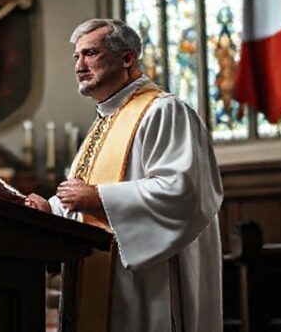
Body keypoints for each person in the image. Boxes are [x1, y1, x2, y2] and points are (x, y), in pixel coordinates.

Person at [25, 18, 223, 332]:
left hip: (144, 282)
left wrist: (98, 197)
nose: (79, 65)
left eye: (90, 54)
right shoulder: (105, 120)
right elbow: (81, 194)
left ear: (127, 59)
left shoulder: (164, 111)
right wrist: (51, 209)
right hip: (102, 271)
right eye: (77, 57)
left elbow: (183, 192)